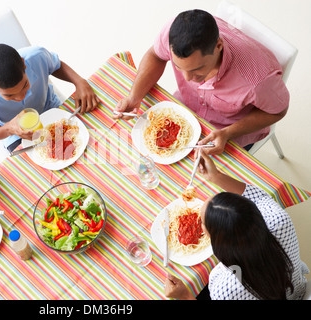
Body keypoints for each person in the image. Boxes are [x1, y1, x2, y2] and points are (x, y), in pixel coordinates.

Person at [114, 9, 289, 155]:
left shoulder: (258, 80)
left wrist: (228, 133)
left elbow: (278, 111)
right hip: (187, 107)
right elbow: (156, 56)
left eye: (197, 69)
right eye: (178, 67)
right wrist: (134, 97)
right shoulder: (173, 32)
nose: (187, 78)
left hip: (228, 131)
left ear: (218, 46)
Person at [165, 152, 308, 300]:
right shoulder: (280, 220)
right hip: (296, 290)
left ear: (217, 239)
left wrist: (184, 295)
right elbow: (259, 197)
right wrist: (216, 176)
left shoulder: (224, 291)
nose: (200, 224)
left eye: (201, 222)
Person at [0, 44, 100, 152]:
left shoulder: (37, 55)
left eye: (25, 85)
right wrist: (9, 128)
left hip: (50, 107)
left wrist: (79, 82)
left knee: (88, 139)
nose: (20, 97)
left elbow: (56, 65)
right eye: (9, 95)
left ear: (23, 64)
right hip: (17, 134)